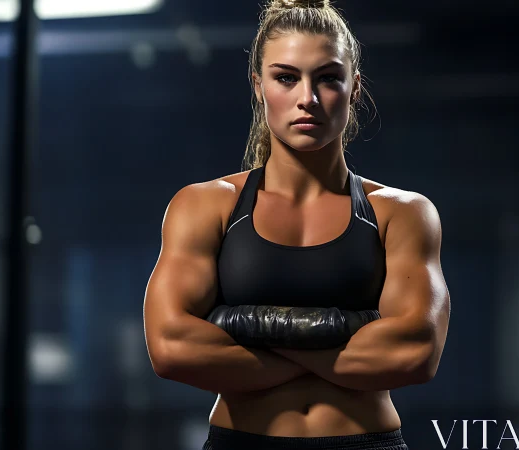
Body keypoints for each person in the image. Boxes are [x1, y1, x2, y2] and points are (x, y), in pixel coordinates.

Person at [143, 0, 451, 448]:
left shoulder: (401, 212)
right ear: (258, 85)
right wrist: (349, 330)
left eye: (328, 78)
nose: (307, 98)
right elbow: (170, 346)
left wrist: (242, 325)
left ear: (355, 88)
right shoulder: (206, 206)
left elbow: (415, 352)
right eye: (286, 77)